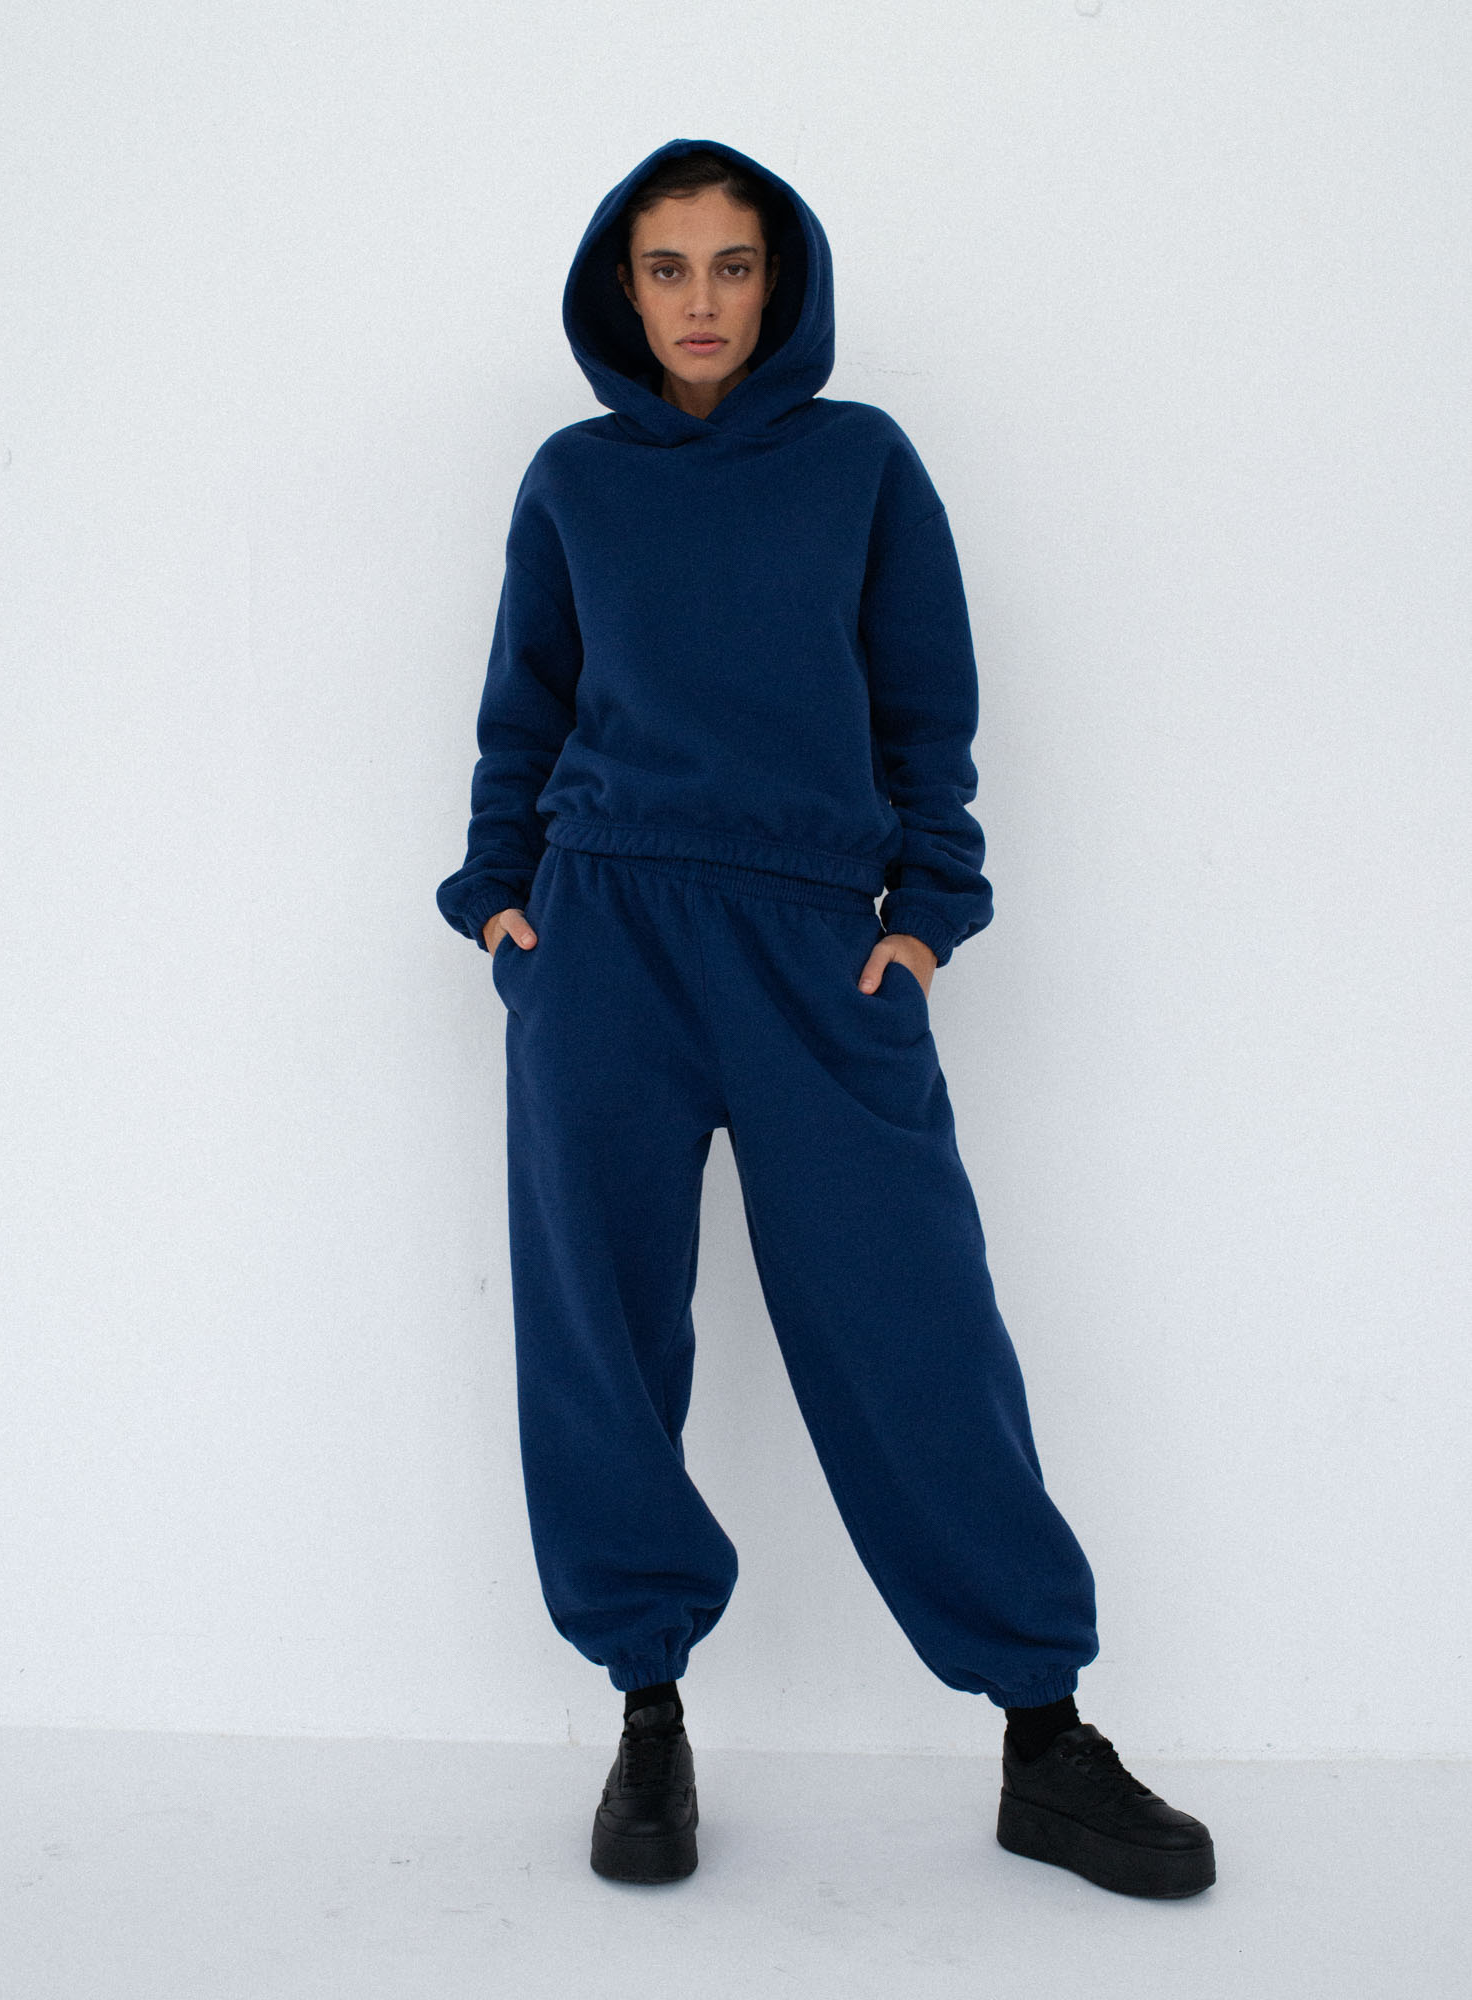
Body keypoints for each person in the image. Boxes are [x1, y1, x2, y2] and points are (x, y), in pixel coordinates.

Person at [436, 136, 1215, 1901]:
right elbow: (523, 708)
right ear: (622, 287)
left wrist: (926, 918)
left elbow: (926, 713)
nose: (701, 301)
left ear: (777, 280)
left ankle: (1043, 1732)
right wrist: (503, 900)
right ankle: (648, 1714)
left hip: (813, 947)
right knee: (599, 1335)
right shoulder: (573, 480)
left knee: (913, 1319)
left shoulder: (862, 465)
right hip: (604, 935)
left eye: (732, 265)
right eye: (666, 267)